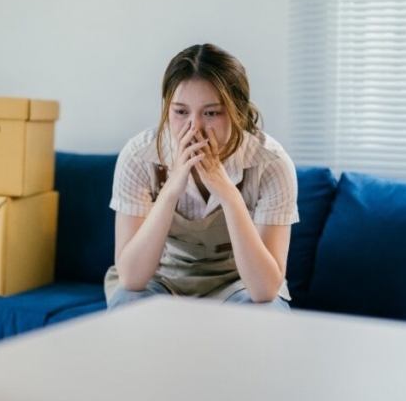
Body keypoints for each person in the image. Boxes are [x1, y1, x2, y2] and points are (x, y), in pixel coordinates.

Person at [104, 43, 299, 310]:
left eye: (211, 113)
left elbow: (264, 289)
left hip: (238, 284)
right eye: (181, 112)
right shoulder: (139, 156)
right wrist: (172, 189)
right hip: (160, 280)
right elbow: (131, 278)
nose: (194, 127)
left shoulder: (271, 164)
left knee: (268, 315)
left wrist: (228, 194)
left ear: (238, 113)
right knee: (128, 306)